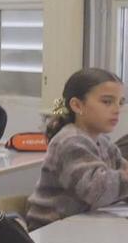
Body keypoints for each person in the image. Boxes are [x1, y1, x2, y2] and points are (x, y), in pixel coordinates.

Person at [25, 67, 128, 227]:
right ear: (77, 105)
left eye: (120, 102)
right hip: (52, 230)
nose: (117, 110)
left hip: (82, 226)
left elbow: (121, 179)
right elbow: (97, 191)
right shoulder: (70, 141)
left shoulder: (104, 143)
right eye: (107, 102)